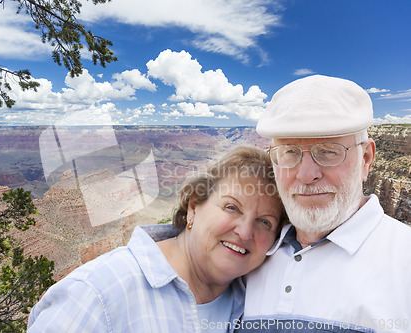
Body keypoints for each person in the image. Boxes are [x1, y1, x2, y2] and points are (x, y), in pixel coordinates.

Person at [27, 146, 286, 332]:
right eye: (232, 207)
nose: (245, 232)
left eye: (265, 222)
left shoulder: (255, 303)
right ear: (194, 207)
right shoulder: (96, 294)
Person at [236, 75, 411, 333]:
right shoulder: (248, 254)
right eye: (290, 152)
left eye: (329, 151)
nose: (307, 174)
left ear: (366, 159)